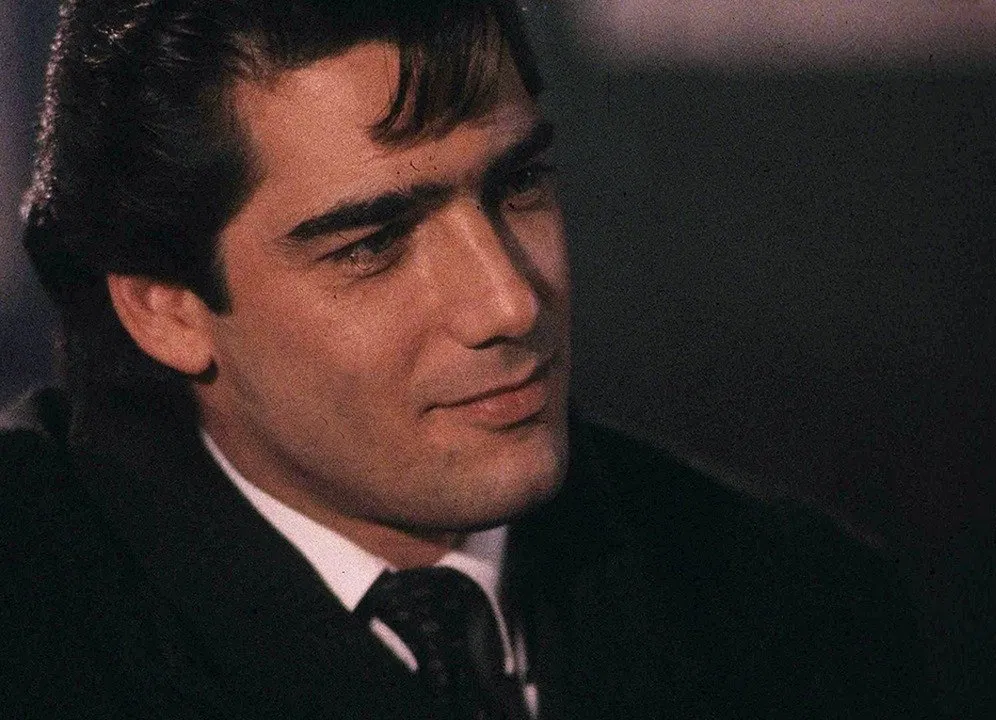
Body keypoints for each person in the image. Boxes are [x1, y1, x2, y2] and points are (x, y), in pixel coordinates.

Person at [0, 1, 927, 717]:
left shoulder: (800, 608)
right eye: (372, 245)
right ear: (165, 309)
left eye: (517, 185)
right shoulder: (34, 630)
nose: (508, 303)